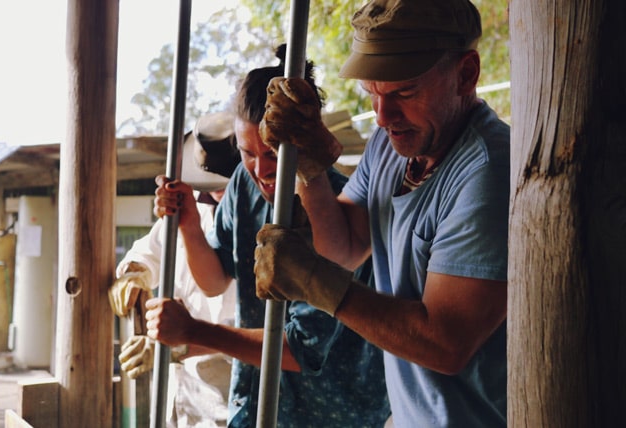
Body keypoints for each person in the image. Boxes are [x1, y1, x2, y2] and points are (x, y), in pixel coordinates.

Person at [254, 1, 510, 427]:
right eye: (372, 92)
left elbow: (445, 344)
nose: (383, 115)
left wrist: (315, 282)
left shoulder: (487, 173)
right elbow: (345, 249)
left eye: (404, 93)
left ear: (466, 74)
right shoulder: (392, 144)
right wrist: (312, 169)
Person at [146, 44, 391, 428]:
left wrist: (192, 332)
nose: (261, 169)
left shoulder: (339, 214)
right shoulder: (245, 184)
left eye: (275, 153)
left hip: (332, 413)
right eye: (248, 152)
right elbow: (213, 281)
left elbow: (299, 351)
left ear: (303, 142)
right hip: (258, 401)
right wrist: (190, 226)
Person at [108, 111, 240, 427]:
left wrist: (173, 347)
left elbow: (252, 327)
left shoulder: (261, 218)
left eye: (226, 182)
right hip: (180, 394)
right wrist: (134, 274)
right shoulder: (190, 205)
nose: (218, 190)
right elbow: (149, 251)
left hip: (229, 394)